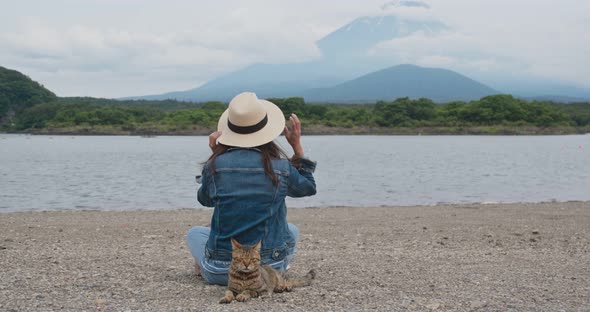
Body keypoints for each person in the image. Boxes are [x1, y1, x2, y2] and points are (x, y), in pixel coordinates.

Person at [185, 92, 317, 285]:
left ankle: (204, 266)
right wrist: (297, 149)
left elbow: (205, 199)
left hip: (221, 271)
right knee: (292, 230)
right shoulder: (281, 167)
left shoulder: (216, 166)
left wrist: (215, 157)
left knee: (195, 233)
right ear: (266, 131)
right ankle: (278, 268)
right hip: (267, 270)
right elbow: (308, 188)